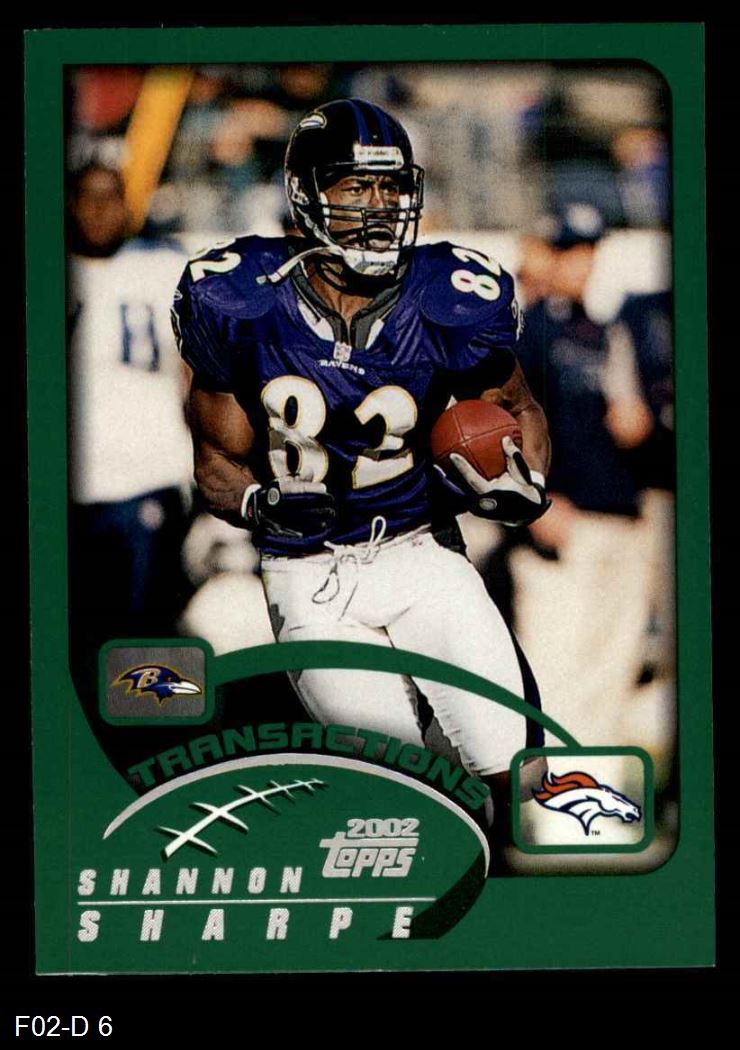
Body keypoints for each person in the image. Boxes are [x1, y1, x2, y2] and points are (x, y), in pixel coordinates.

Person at [171, 98, 551, 841]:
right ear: (305, 193)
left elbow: (517, 406)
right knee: (394, 785)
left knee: (517, 767)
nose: (378, 207)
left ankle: (520, 896)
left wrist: (524, 480)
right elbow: (215, 460)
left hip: (420, 549)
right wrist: (256, 506)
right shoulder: (240, 299)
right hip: (307, 574)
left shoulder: (447, 294)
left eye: (391, 186)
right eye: (354, 186)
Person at [68, 163, 194, 682]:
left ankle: (153, 731)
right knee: (78, 640)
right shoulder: (49, 268)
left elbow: (197, 374)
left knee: (146, 639)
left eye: (111, 197)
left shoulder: (162, 267)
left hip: (149, 476)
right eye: (87, 197)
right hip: (69, 489)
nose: (99, 210)